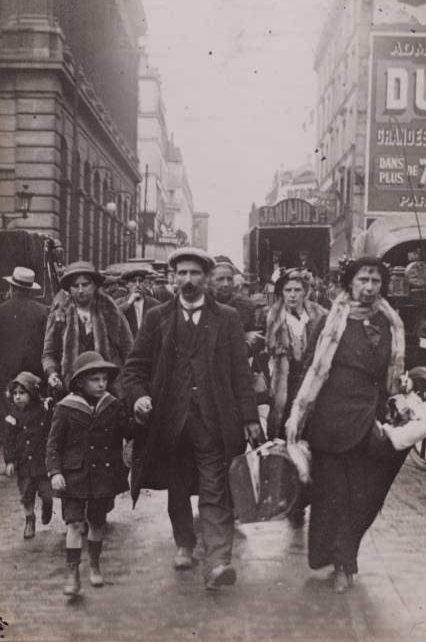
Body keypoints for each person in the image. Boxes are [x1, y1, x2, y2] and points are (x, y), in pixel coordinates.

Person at [123, 247, 262, 591]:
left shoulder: (227, 317)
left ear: (206, 278)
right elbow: (134, 369)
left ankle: (218, 561)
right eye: (181, 273)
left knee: (216, 489)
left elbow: (240, 374)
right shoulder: (157, 317)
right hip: (169, 422)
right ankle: (184, 542)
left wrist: (249, 417)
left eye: (194, 273)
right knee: (178, 486)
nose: (187, 280)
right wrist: (139, 396)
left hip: (213, 421)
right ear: (173, 277)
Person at [286, 256, 407, 593]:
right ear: (350, 283)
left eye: (376, 281)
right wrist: (296, 417)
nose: (369, 288)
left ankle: (343, 556)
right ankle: (343, 564)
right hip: (333, 421)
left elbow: (391, 373)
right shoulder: (330, 322)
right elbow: (310, 369)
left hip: (371, 421)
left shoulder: (390, 323)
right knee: (335, 495)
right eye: (363, 280)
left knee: (365, 495)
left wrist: (397, 399)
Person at [46, 351, 146, 596]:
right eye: (95, 380)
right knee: (75, 522)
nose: (102, 384)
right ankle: (72, 572)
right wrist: (55, 471)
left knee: (98, 522)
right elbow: (53, 444)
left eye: (104, 379)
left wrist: (141, 419)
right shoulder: (65, 408)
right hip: (73, 476)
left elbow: (127, 429)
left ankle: (94, 564)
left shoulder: (112, 405)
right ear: (80, 382)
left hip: (104, 474)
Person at [42, 261, 133, 398]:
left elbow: (128, 349)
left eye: (85, 284)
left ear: (95, 285)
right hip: (71, 391)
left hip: (108, 390)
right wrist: (52, 373)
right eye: (75, 286)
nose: (80, 290)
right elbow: (49, 353)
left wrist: (130, 383)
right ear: (69, 288)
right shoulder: (59, 315)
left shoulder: (111, 312)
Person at [266, 268, 327, 441]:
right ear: (282, 293)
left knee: (312, 428)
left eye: (297, 290)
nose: (292, 295)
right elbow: (269, 347)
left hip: (312, 379)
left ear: (305, 292)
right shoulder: (274, 318)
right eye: (288, 290)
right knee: (284, 426)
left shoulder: (320, 316)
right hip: (287, 381)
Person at [3, 372, 53, 539]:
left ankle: (47, 506)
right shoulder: (12, 417)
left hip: (42, 462)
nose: (18, 397)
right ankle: (29, 520)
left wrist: (50, 404)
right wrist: (10, 461)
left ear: (32, 393)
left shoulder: (43, 412)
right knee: (26, 494)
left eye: (22, 393)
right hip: (24, 463)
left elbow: (51, 430)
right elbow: (9, 440)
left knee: (47, 492)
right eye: (15, 393)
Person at [0, 267, 48, 426]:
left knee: (7, 415)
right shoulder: (42, 311)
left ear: (12, 287)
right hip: (34, 372)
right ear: (30, 290)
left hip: (5, 371)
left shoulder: (2, 310)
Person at [208, 259, 263, 348]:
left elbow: (258, 339)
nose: (226, 284)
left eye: (229, 279)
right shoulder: (200, 304)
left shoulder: (246, 305)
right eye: (220, 279)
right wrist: (243, 336)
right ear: (209, 281)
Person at [117, 268, 160, 338]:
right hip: (127, 347)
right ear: (127, 284)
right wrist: (128, 304)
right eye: (133, 281)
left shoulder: (155, 304)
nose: (137, 285)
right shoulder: (119, 303)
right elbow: (110, 318)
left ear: (144, 283)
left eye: (140, 281)